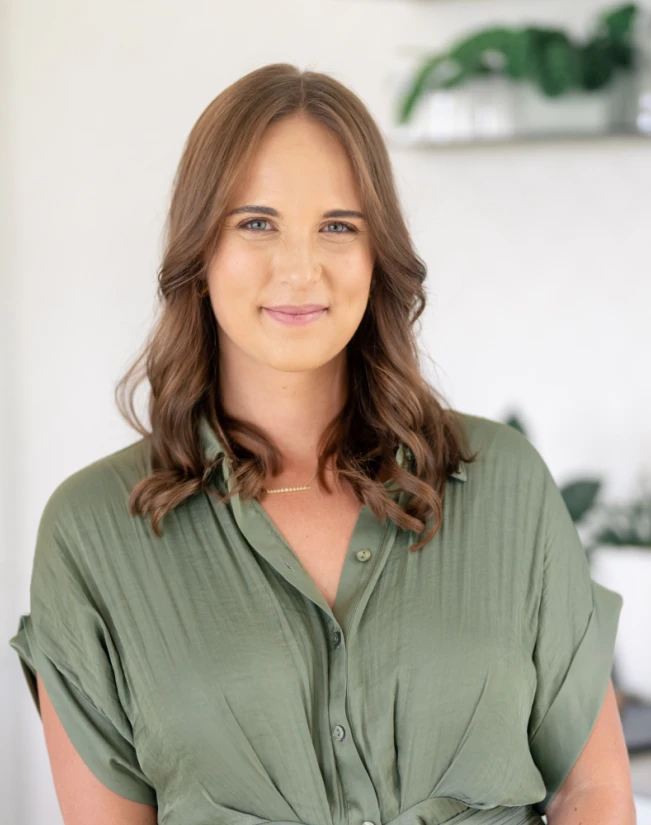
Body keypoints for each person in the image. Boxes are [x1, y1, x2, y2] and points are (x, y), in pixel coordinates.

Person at [8, 63, 634, 825]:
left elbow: (591, 789)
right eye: (256, 222)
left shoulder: (503, 482)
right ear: (200, 254)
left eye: (338, 226)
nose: (300, 268)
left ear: (377, 255)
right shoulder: (92, 530)